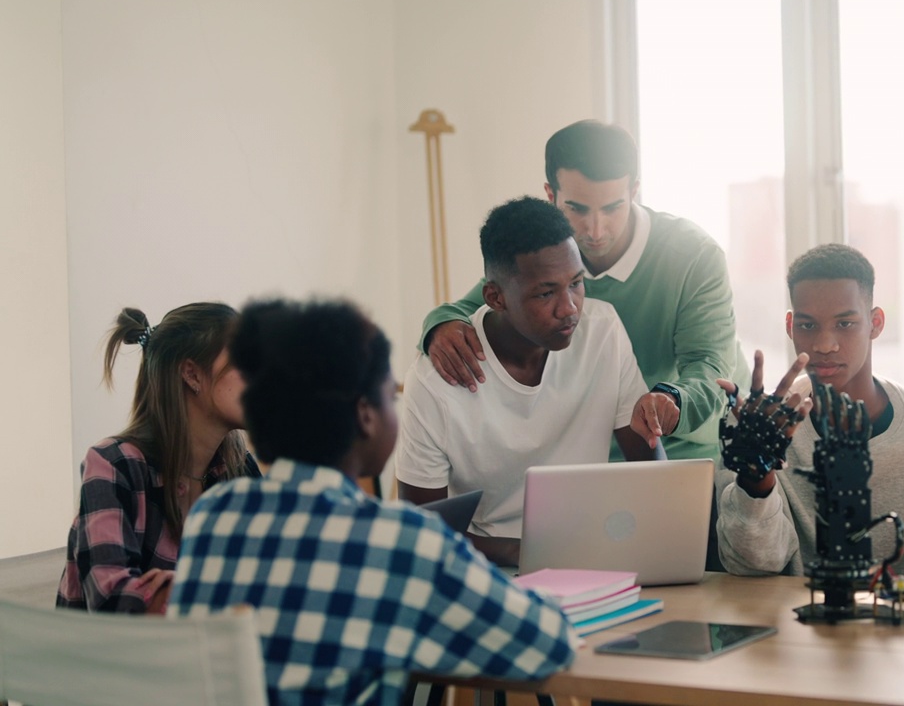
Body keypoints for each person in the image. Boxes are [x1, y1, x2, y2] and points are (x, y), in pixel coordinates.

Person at [169, 298, 576, 706]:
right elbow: (546, 643)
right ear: (365, 414)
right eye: (389, 397)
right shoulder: (398, 541)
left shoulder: (214, 516)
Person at [420, 119, 748, 462]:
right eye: (576, 209)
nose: (594, 230)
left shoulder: (694, 256)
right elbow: (468, 307)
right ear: (550, 195)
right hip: (590, 452)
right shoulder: (545, 255)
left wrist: (672, 401)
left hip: (689, 445)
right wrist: (440, 326)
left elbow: (711, 366)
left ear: (634, 191)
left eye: (611, 208)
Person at [715, 244, 904, 584]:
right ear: (790, 326)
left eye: (845, 323)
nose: (825, 344)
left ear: (875, 323)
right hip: (794, 631)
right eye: (808, 326)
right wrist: (755, 481)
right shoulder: (760, 430)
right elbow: (750, 566)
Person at [396, 196, 657, 566]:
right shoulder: (436, 380)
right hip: (488, 570)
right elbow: (422, 530)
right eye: (546, 293)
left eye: (577, 283)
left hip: (593, 556)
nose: (569, 308)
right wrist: (525, 553)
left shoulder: (603, 331)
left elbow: (651, 471)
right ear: (495, 297)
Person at [56, 303, 259, 613]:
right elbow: (111, 600)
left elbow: (273, 579)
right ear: (192, 374)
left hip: (200, 657)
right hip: (109, 659)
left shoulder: (239, 469)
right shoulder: (114, 465)